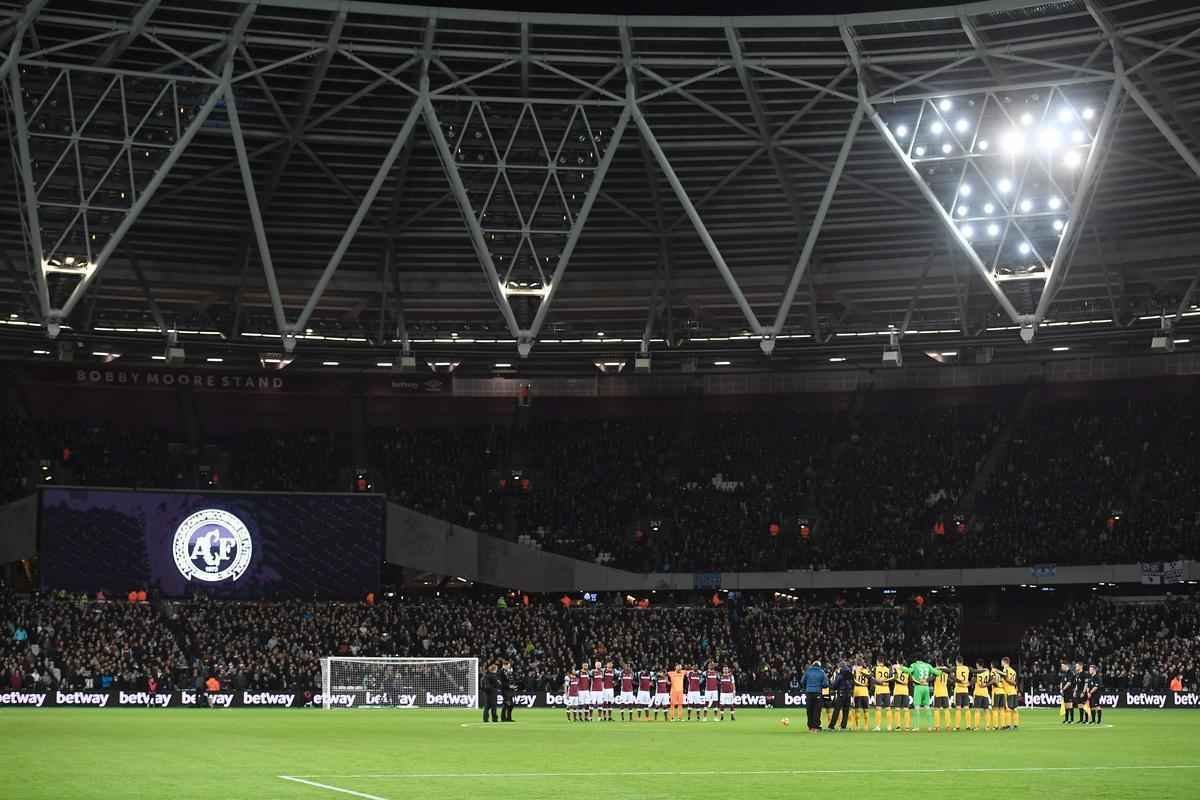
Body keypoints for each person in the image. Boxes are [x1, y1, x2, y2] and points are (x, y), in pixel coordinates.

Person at [907, 656, 940, 731]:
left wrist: (900, 667)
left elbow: (908, 671)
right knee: (927, 707)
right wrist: (928, 679)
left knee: (917, 707)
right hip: (926, 687)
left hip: (918, 687)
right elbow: (937, 673)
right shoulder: (928, 665)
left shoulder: (914, 665)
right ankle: (930, 726)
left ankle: (916, 727)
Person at [802, 660, 829, 732]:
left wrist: (807, 687)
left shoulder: (808, 671)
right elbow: (826, 684)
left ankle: (810, 727)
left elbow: (802, 681)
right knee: (817, 710)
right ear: (819, 666)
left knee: (809, 710)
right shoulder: (822, 672)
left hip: (809, 693)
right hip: (817, 693)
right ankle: (816, 727)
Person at [827, 660, 853, 731]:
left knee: (836, 710)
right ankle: (843, 727)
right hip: (848, 694)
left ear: (840, 667)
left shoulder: (840, 675)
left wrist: (832, 685)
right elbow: (852, 684)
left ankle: (831, 726)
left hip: (841, 694)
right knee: (846, 711)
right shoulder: (850, 675)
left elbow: (835, 685)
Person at [872, 656, 892, 731]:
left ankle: (878, 726)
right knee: (888, 708)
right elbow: (891, 678)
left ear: (877, 661)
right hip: (887, 690)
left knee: (878, 708)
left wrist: (877, 681)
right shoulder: (887, 669)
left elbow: (871, 678)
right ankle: (889, 726)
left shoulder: (875, 668)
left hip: (879, 690)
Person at [891, 658, 912, 731]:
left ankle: (898, 726)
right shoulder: (907, 669)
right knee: (906, 709)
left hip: (897, 690)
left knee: (897, 709)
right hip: (905, 690)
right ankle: (907, 726)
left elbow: (894, 677)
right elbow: (910, 680)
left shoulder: (895, 668)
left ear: (897, 661)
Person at [952, 655, 972, 731]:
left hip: (958, 690)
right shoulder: (967, 668)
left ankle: (957, 726)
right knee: (967, 708)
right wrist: (969, 683)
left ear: (957, 661)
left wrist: (957, 680)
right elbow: (975, 673)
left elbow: (951, 675)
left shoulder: (956, 668)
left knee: (958, 708)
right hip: (965, 690)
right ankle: (968, 725)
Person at [851, 659, 871, 730]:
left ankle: (857, 726)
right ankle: (866, 726)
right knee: (866, 710)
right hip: (865, 690)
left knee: (857, 709)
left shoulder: (855, 670)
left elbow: (853, 680)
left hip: (857, 691)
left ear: (856, 663)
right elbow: (870, 679)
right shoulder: (866, 670)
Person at [973, 659, 992, 731]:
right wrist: (986, 685)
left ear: (977, 664)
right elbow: (992, 680)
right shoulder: (987, 671)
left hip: (978, 692)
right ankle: (987, 726)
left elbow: (974, 680)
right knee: (986, 710)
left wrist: (968, 684)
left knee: (977, 710)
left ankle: (976, 727)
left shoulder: (977, 672)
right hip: (985, 693)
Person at [1000, 656, 1019, 729]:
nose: (1001, 663)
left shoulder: (1005, 670)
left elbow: (1006, 679)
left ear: (1004, 662)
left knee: (1007, 708)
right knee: (1015, 708)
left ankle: (1007, 725)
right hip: (1014, 691)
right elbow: (1015, 681)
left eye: (1002, 662)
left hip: (1007, 691)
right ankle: (1016, 724)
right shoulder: (1013, 671)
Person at [932, 661, 951, 731]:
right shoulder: (946, 670)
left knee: (936, 709)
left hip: (938, 692)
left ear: (937, 664)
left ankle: (937, 726)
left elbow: (932, 678)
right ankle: (948, 726)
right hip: (945, 692)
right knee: (946, 709)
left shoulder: (936, 670)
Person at [1060, 660, 1074, 724]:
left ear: (1066, 666)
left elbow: (1069, 683)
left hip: (1069, 691)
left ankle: (1072, 719)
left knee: (1070, 705)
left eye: (1062, 666)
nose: (1061, 667)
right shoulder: (1064, 673)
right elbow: (1061, 682)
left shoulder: (1070, 673)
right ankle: (1066, 719)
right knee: (1065, 705)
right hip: (1064, 692)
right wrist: (1061, 688)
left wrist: (1063, 689)